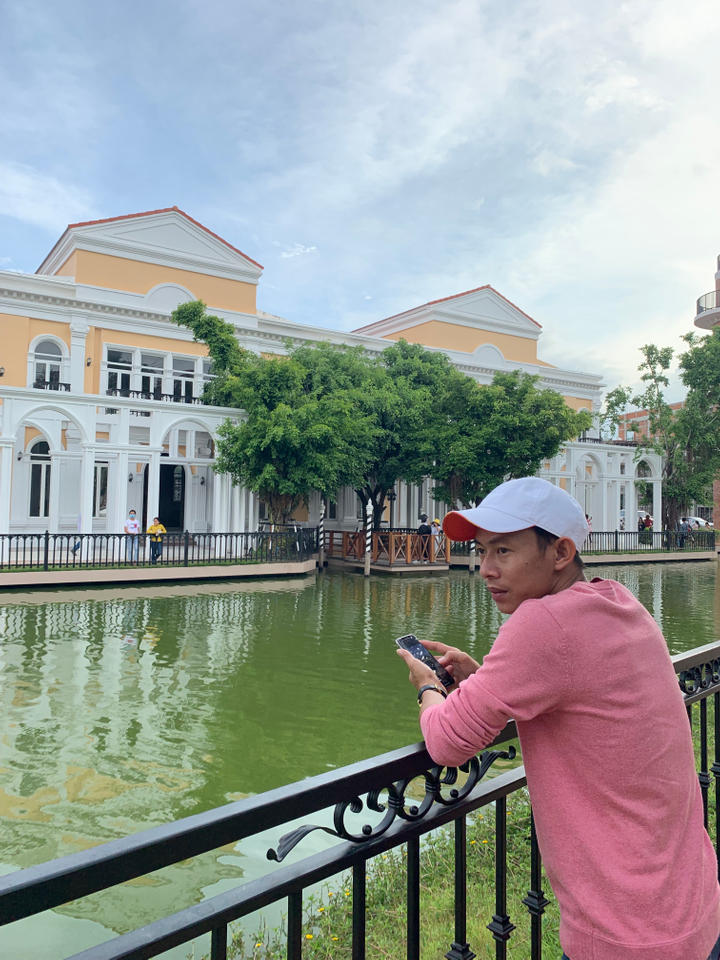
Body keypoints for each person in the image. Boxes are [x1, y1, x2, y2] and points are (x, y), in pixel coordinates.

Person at [397, 476, 720, 960]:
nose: (486, 569)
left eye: (503, 551)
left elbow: (446, 742)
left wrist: (428, 687)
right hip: (690, 905)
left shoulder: (543, 622)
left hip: (627, 931)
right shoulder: (618, 602)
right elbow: (573, 696)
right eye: (482, 551)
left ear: (561, 552)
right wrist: (483, 680)